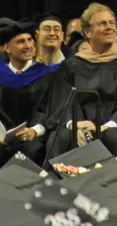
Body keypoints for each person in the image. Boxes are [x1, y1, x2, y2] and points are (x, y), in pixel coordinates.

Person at [46, 3, 117, 168]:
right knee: (61, 137)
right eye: (102, 23)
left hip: (115, 123)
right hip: (80, 122)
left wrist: (106, 125)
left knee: (113, 137)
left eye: (112, 23)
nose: (109, 27)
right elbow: (65, 100)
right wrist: (75, 124)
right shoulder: (72, 65)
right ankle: (63, 191)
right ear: (87, 33)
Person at [0, 21, 61, 165]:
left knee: (33, 149)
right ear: (7, 48)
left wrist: (35, 131)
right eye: (21, 42)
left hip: (35, 138)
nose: (28, 46)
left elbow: (51, 109)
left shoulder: (47, 74)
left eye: (30, 40)